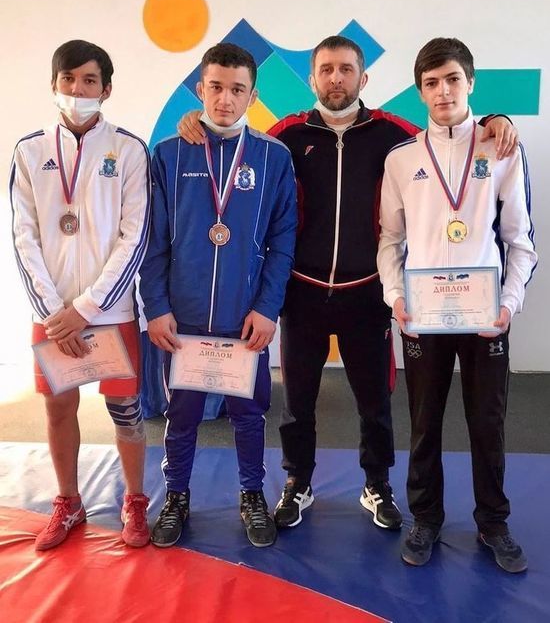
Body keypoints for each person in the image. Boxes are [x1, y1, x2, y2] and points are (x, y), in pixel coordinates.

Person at [178, 35, 517, 532]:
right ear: (312, 78)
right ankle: (298, 481)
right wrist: (196, 123)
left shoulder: (392, 134)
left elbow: (447, 132)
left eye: (346, 69)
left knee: (374, 400)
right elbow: (237, 146)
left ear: (364, 77)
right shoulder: (287, 134)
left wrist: (496, 119)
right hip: (303, 290)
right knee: (298, 401)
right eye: (326, 69)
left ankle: (377, 483)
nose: (336, 78)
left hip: (367, 291)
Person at [377, 37, 537, 572]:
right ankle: (425, 518)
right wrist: (396, 297)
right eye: (431, 83)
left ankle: (494, 522)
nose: (442, 91)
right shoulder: (401, 159)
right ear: (420, 91)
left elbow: (520, 241)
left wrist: (508, 305)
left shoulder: (501, 148)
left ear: (470, 83)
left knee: (487, 423)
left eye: (452, 79)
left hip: (486, 316)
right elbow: (389, 240)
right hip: (423, 317)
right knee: (424, 422)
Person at [140, 43, 296, 548]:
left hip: (243, 316)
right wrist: (156, 307)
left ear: (253, 96)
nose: (225, 99)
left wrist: (268, 308)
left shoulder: (273, 157)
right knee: (181, 415)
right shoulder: (169, 154)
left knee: (248, 414)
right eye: (215, 87)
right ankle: (176, 495)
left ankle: (252, 495)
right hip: (182, 317)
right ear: (199, 88)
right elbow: (152, 240)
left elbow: (283, 240)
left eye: (237, 89)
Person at [10, 40, 151, 550]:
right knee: (57, 408)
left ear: (106, 89)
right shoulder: (29, 151)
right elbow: (23, 236)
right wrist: (55, 313)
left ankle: (134, 501)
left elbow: (135, 236)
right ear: (54, 85)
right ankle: (68, 501)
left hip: (110, 311)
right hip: (51, 315)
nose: (77, 88)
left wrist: (87, 309)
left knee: (126, 411)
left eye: (89, 80)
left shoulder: (129, 150)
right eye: (68, 79)